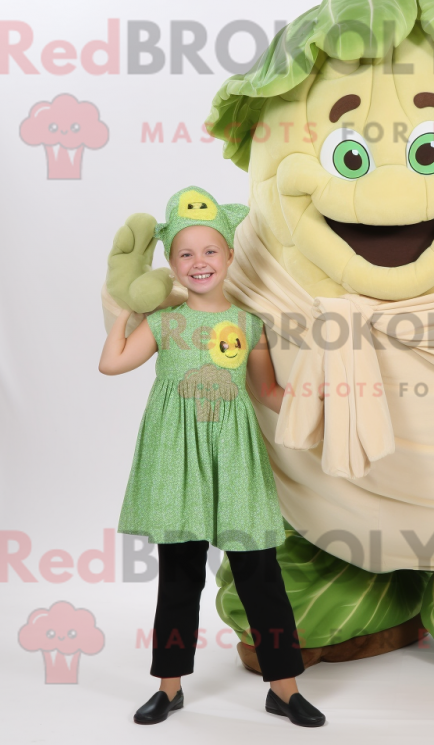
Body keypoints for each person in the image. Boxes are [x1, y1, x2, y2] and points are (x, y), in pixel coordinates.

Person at [99, 186, 325, 728]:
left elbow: (267, 392)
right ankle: (169, 687)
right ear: (172, 264)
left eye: (209, 252)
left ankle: (284, 689)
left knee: (260, 574)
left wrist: (315, 404)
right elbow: (112, 364)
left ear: (228, 257)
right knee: (179, 576)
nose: (198, 263)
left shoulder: (250, 324)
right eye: (184, 254)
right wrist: (126, 307)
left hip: (235, 458)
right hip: (177, 461)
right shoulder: (164, 322)